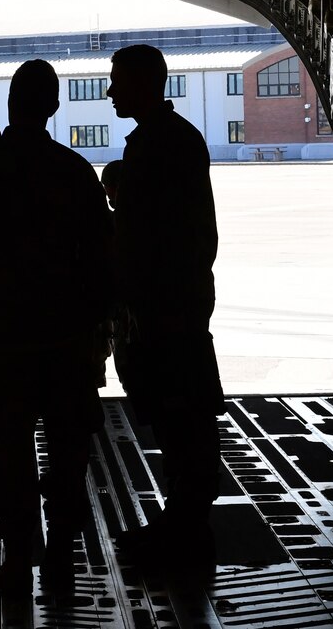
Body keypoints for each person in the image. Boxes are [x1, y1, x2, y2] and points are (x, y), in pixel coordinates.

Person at [0, 59, 113, 596]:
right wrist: (95, 327)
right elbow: (104, 258)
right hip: (65, 340)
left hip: (7, 339)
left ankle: (17, 561)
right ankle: (60, 559)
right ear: (54, 107)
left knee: (11, 456)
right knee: (67, 456)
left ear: (11, 104)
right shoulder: (75, 172)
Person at [105, 44, 225, 572]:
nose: (110, 91)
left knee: (182, 416)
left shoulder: (159, 145)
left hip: (167, 305)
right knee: (179, 417)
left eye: (117, 82)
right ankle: (182, 523)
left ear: (143, 84)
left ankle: (187, 533)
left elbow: (151, 230)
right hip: (173, 301)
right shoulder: (171, 140)